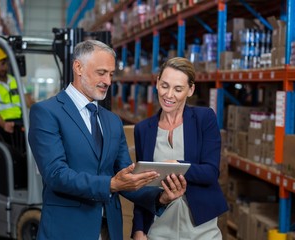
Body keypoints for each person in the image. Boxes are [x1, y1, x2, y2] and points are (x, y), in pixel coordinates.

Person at [28, 40, 187, 240]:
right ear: (78, 67)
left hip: (109, 230)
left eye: (111, 74)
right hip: (67, 229)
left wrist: (160, 197)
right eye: (101, 72)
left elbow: (126, 178)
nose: (108, 81)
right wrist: (111, 184)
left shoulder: (112, 121)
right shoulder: (47, 112)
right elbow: (56, 174)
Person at [132, 57, 228, 240]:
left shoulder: (204, 119)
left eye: (178, 89)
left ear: (190, 90)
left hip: (201, 231)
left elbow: (210, 172)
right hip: (159, 229)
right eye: (165, 85)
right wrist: (138, 230)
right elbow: (140, 186)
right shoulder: (143, 129)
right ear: (157, 82)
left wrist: (176, 166)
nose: (169, 95)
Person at [0, 47, 33, 148]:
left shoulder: (16, 81)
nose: (1, 68)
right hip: (3, 126)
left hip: (20, 123)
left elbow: (29, 102)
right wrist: (4, 125)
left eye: (3, 64)